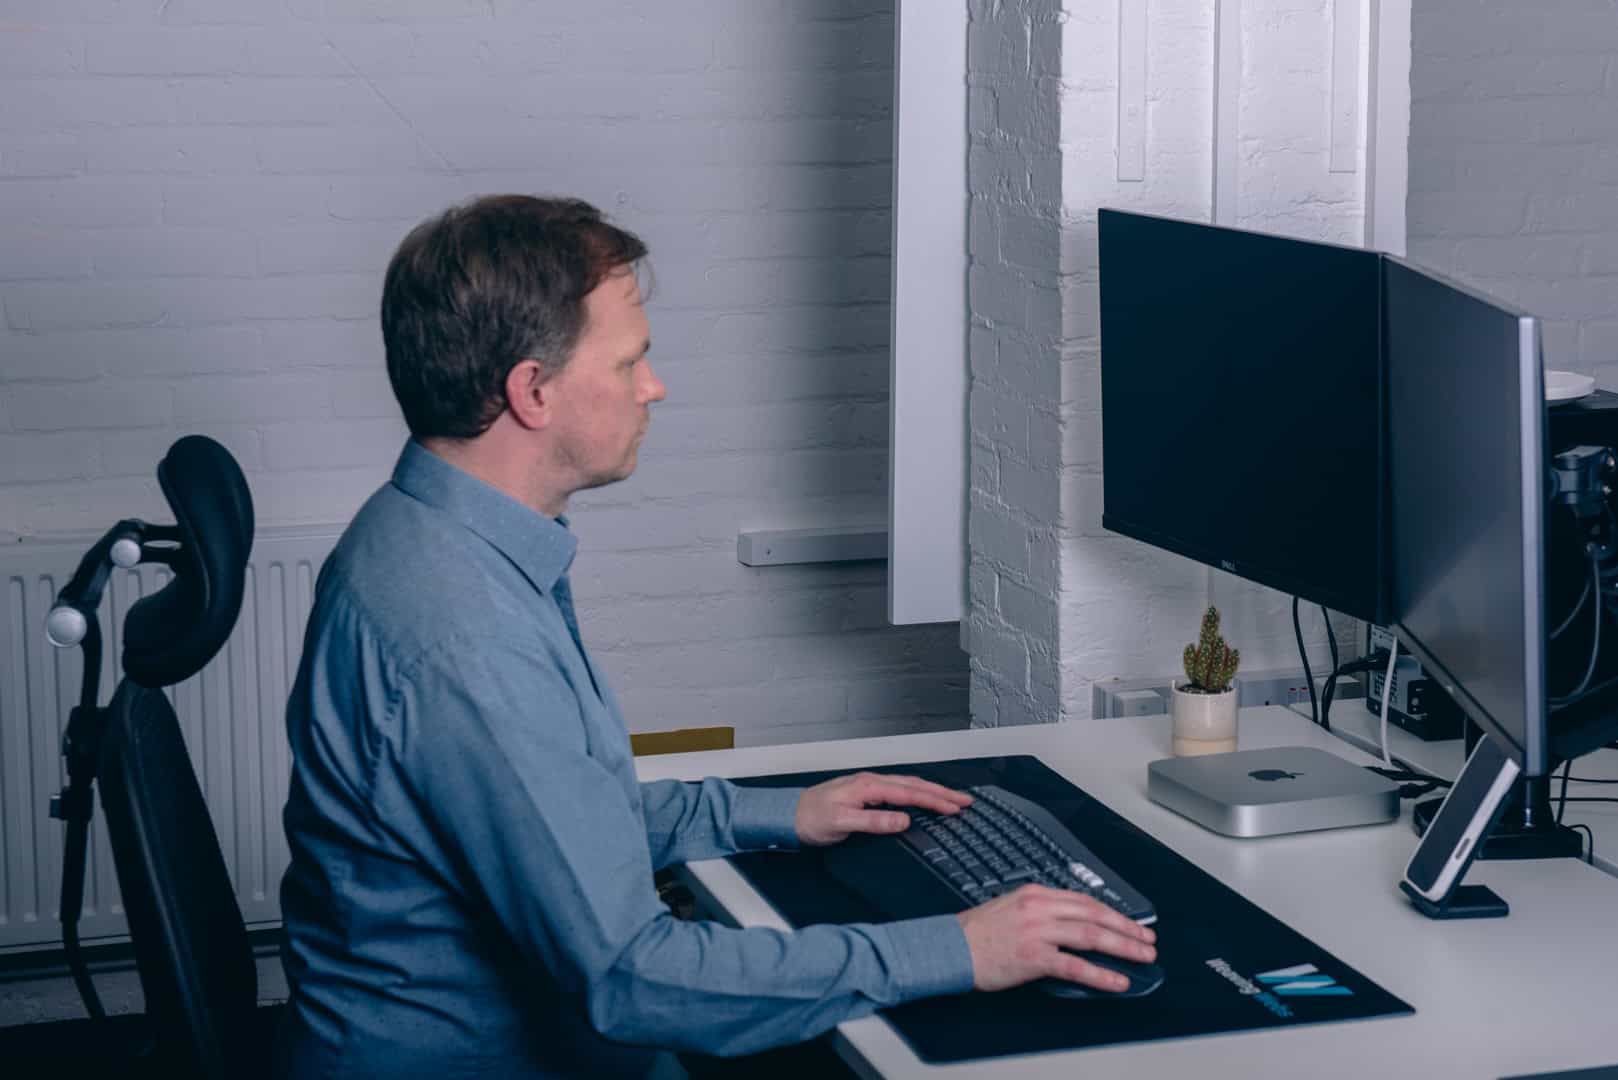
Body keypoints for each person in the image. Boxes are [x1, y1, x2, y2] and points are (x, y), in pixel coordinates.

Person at [273, 194, 1157, 1079]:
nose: (652, 386)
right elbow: (631, 980)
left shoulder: (427, 536)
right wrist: (959, 949)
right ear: (531, 392)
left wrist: (779, 812)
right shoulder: (465, 636)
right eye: (629, 363)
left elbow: (558, 814)